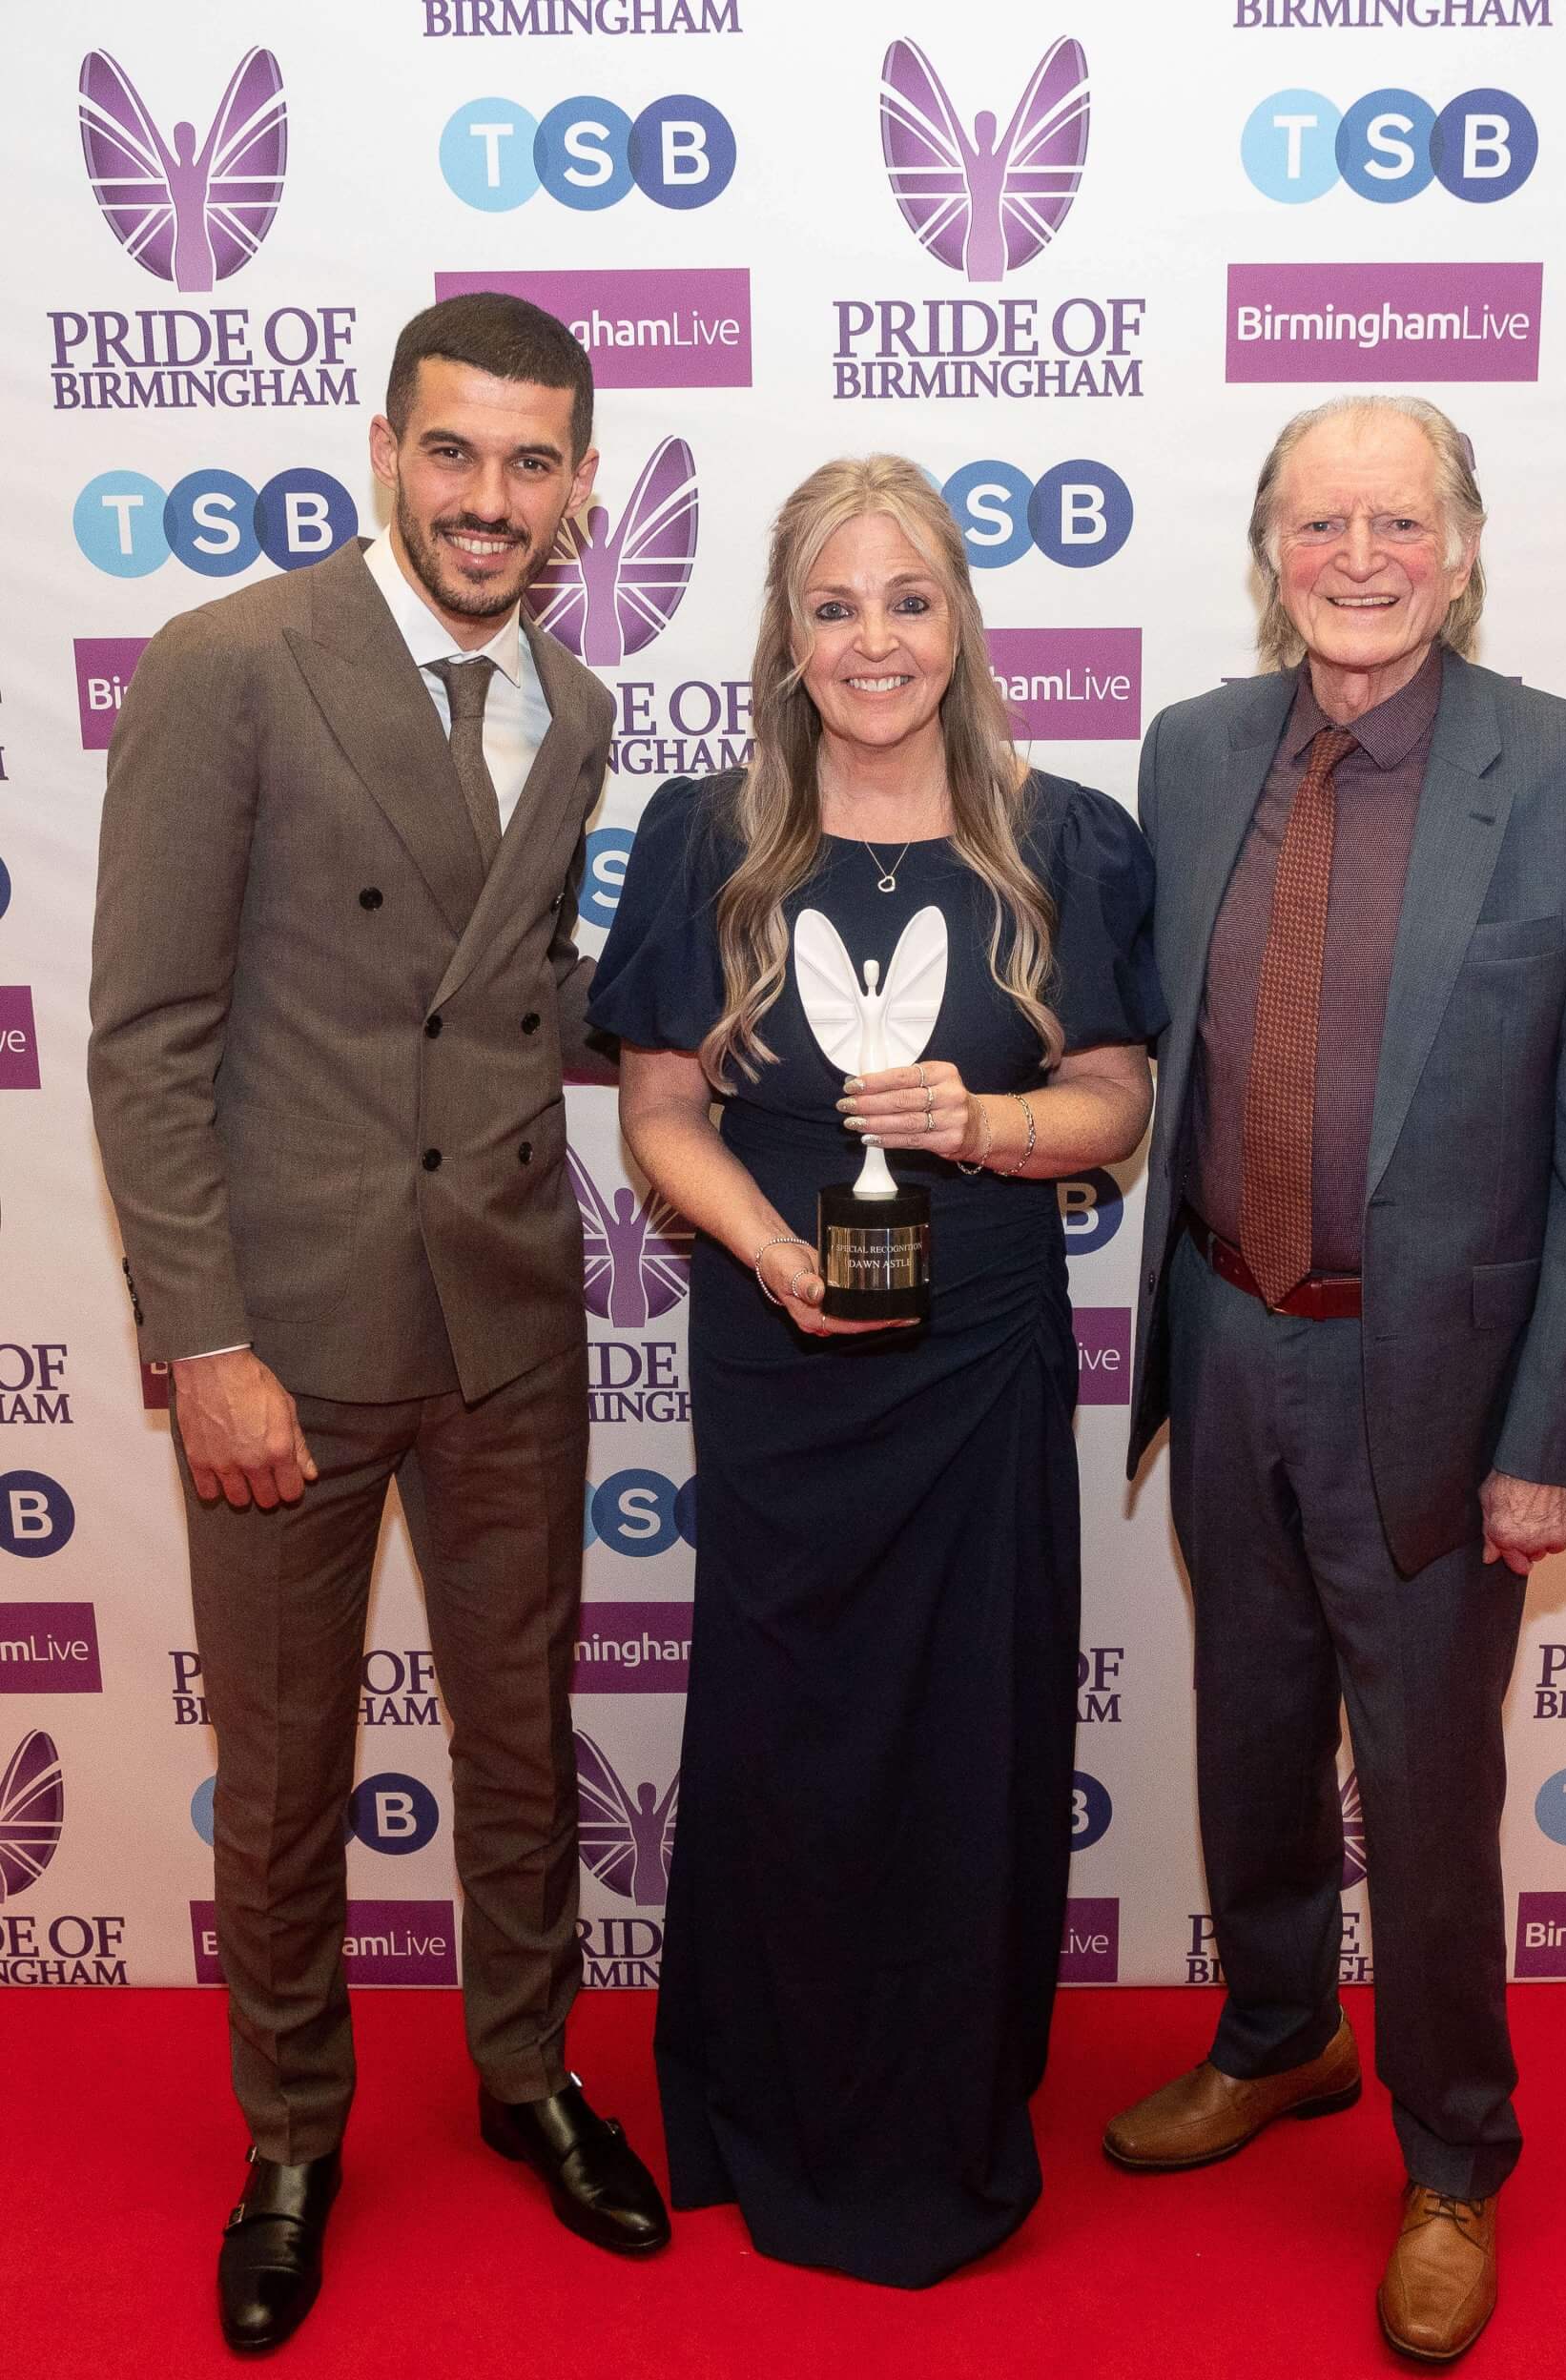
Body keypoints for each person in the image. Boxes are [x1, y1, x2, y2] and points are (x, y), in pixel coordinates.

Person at [88, 292, 670, 2356]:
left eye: (532, 462)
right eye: (455, 451)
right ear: (387, 451)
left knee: (520, 1731)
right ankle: (291, 2137)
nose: (489, 498)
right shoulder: (232, 664)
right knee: (283, 1767)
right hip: (291, 1334)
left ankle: (526, 2071)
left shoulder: (577, 707)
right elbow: (148, 1037)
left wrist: (738, 1014)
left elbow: (511, 997)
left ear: (580, 487)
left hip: (508, 1315)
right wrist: (203, 1341)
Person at [1105, 396, 1566, 2362]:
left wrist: (1556, 1437)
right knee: (1251, 1728)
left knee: (1427, 1786)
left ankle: (1453, 2157)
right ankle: (1279, 2035)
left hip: (1439, 1383)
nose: (1360, 557)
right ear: (1271, 552)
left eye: (1399, 521)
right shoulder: (1190, 756)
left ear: (1465, 546)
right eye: (1321, 523)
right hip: (1227, 1332)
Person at [588, 454, 1162, 2288]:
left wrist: (988, 1121)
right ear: (786, 631)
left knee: (970, 1732)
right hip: (781, 1364)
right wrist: (770, 1258)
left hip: (979, 1359)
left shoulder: (1068, 838)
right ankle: (766, 2105)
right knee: (788, 1736)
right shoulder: (706, 835)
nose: (874, 641)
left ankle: (942, 2110)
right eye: (833, 607)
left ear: (961, 622)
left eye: (908, 602)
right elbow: (660, 1109)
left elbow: (1118, 1100)